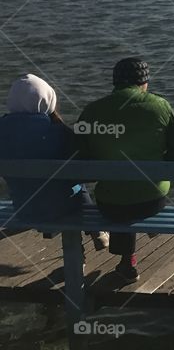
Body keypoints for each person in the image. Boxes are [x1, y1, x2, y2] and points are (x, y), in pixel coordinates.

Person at [75, 58, 174, 283]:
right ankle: (135, 251)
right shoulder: (159, 105)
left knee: (119, 195)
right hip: (152, 200)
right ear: (144, 81)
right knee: (140, 188)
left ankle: (128, 262)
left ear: (115, 82)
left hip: (110, 204)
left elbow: (80, 160)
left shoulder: (92, 111)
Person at [0, 74, 108, 250]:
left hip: (23, 207)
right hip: (60, 208)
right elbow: (85, 170)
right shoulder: (58, 132)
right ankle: (95, 232)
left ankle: (89, 239)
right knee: (77, 186)